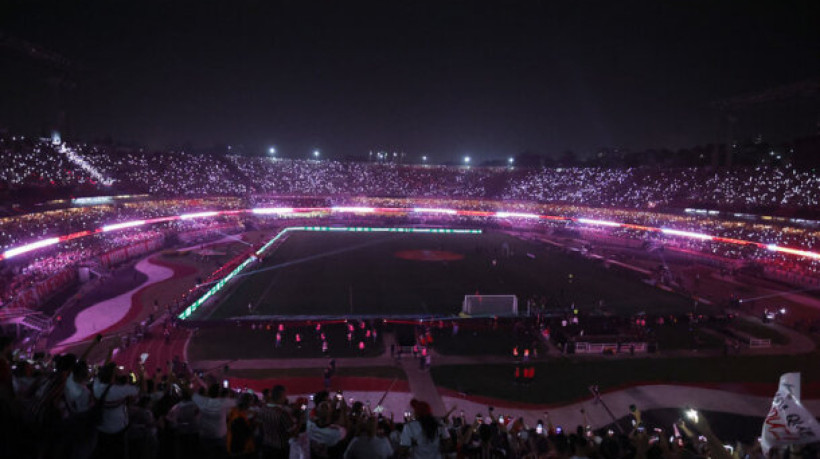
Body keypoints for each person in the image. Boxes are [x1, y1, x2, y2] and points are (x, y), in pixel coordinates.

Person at [193, 383, 236, 455]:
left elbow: (196, 414)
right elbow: (229, 414)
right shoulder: (224, 403)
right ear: (219, 393)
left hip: (205, 434)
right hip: (219, 435)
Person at [258, 384, 293, 459]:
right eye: (285, 395)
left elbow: (260, 426)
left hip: (266, 444)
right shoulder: (282, 413)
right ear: (282, 395)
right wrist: (300, 420)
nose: (285, 397)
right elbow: (292, 433)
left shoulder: (263, 409)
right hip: (280, 448)